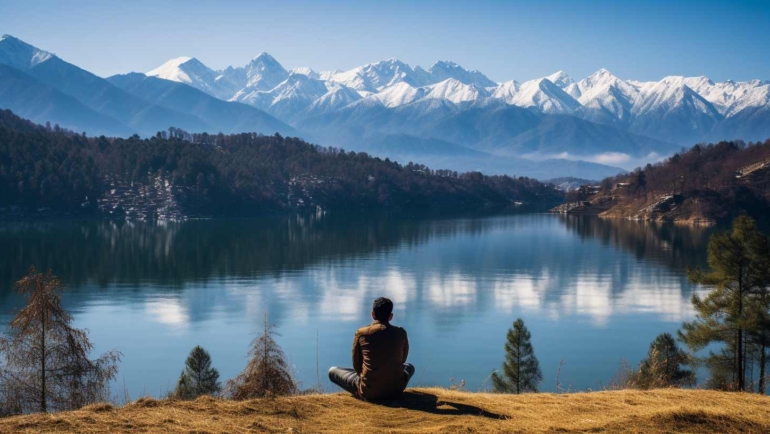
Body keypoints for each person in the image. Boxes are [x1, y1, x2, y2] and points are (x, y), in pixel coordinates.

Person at [328, 297, 415, 400]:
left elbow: (357, 365)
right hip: (396, 390)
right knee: (409, 366)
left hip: (369, 392)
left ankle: (360, 391)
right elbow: (403, 360)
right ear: (391, 316)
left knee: (332, 371)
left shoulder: (362, 333)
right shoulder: (401, 333)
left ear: (373, 314)